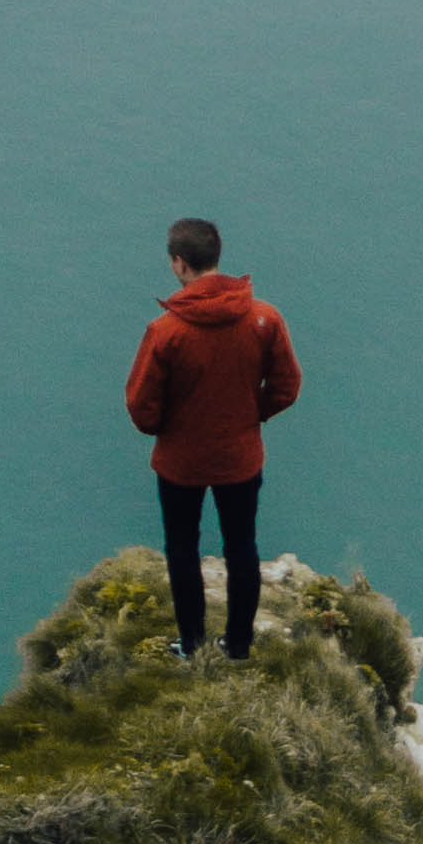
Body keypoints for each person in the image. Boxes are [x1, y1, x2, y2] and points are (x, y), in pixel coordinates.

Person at [124, 217, 301, 662]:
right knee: (242, 547)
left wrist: (171, 428)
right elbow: (286, 386)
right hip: (240, 458)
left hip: (180, 463)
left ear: (179, 264)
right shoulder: (264, 318)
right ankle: (238, 646)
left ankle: (192, 644)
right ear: (216, 257)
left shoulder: (166, 332)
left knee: (182, 549)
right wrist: (248, 416)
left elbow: (141, 408)